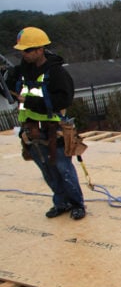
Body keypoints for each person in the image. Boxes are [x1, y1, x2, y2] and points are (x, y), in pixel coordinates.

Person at [6, 27, 86, 219]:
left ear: (40, 49)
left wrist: (30, 101)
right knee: (48, 171)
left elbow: (63, 100)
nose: (23, 54)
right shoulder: (21, 71)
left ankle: (77, 204)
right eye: (21, 51)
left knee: (63, 169)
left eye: (27, 50)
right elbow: (9, 89)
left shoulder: (56, 73)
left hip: (53, 131)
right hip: (31, 131)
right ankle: (61, 202)